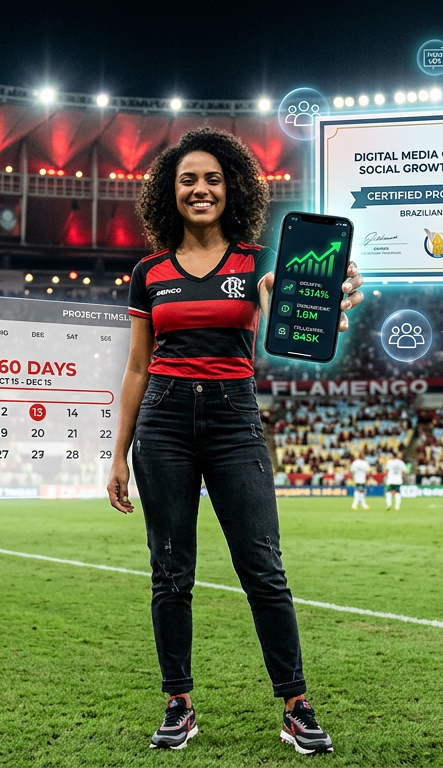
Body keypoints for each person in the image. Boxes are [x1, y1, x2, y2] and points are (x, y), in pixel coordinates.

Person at [106, 127, 363, 755]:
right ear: (170, 191)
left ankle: (296, 705)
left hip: (233, 421)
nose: (200, 189)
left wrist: (331, 297)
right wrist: (117, 452)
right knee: (170, 573)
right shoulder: (148, 272)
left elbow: (290, 317)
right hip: (162, 425)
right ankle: (179, 702)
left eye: (213, 179)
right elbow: (138, 366)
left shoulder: (254, 266)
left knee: (264, 570)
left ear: (233, 189)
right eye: (189, 179)